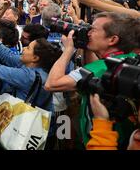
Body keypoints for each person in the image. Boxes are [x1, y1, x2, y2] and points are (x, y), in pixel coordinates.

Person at [45, 12, 140, 148]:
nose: (88, 32)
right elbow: (93, 69)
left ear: (112, 40)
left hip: (101, 140)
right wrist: (85, 47)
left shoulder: (103, 68)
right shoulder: (127, 61)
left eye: (93, 29)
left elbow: (51, 84)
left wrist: (68, 49)